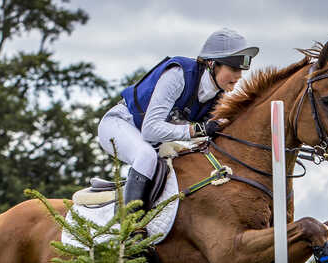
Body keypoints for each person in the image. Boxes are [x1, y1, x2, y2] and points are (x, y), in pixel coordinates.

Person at [98, 28, 259, 206]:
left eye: (242, 70)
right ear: (212, 64)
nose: (239, 76)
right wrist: (198, 129)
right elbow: (150, 130)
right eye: (234, 68)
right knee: (146, 156)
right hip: (120, 124)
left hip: (156, 141)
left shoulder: (218, 96)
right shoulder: (179, 74)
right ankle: (129, 227)